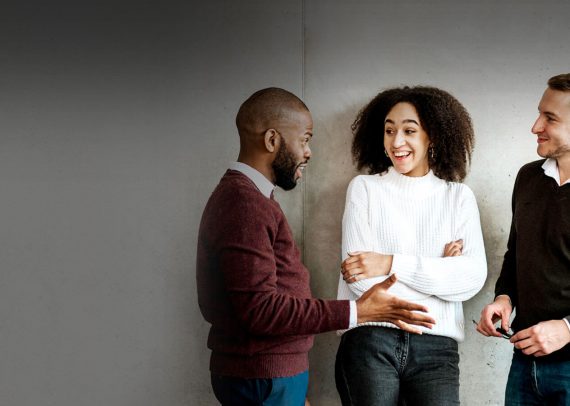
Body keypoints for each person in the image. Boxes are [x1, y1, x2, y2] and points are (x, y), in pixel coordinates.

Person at [196, 87, 436, 406]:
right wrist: (357, 311)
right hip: (263, 379)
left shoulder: (253, 199)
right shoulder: (244, 204)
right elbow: (260, 309)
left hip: (270, 377)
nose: (308, 152)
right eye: (305, 139)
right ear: (272, 140)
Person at [335, 86, 487, 406]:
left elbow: (471, 278)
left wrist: (389, 263)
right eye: (389, 130)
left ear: (433, 136)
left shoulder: (458, 197)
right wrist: (441, 275)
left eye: (409, 131)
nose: (396, 142)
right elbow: (361, 282)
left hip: (436, 350)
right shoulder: (364, 189)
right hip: (371, 341)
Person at [475, 73, 570, 405]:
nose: (535, 126)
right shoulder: (528, 177)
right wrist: (504, 298)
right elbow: (516, 252)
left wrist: (567, 329)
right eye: (539, 113)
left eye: (550, 118)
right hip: (524, 363)